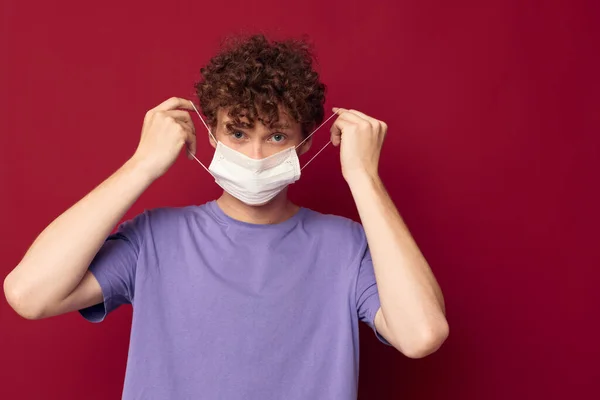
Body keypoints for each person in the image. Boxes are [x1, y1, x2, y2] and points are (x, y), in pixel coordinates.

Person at [4, 34, 448, 399]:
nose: (255, 155)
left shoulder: (345, 247)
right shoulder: (156, 239)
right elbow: (29, 294)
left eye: (276, 135)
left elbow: (422, 334)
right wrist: (142, 165)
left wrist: (364, 178)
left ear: (305, 144)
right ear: (212, 135)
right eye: (238, 133)